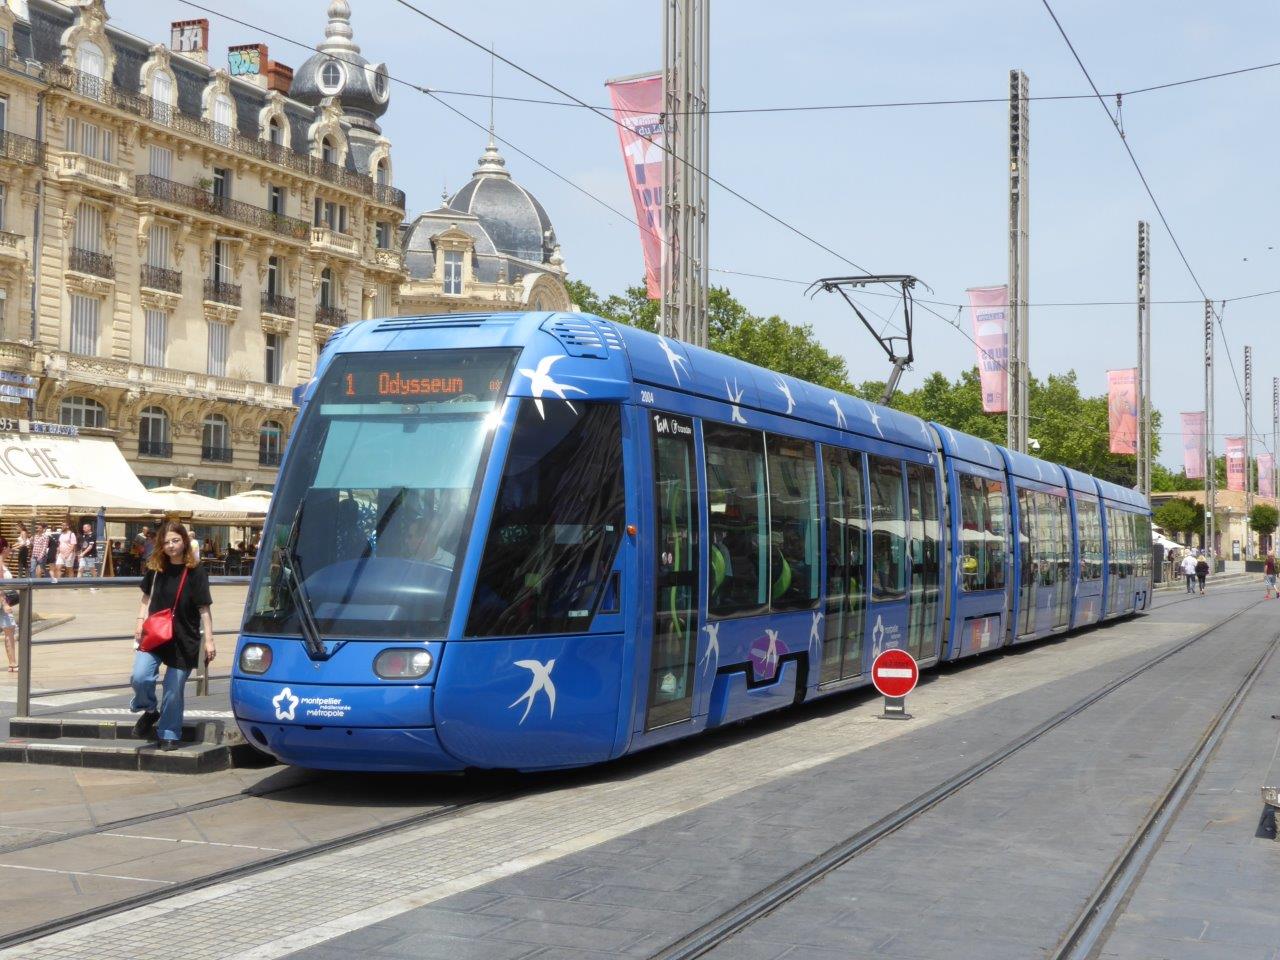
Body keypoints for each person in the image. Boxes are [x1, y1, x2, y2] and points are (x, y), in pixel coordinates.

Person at [129, 522, 215, 750]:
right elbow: (146, 598)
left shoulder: (196, 571)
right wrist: (139, 622)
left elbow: (204, 608)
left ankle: (169, 732)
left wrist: (209, 641)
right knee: (140, 676)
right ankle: (149, 710)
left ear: (184, 541)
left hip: (183, 637)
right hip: (155, 633)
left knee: (173, 688)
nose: (170, 546)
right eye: (166, 542)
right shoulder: (156, 567)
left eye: (175, 540)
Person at [1, 542, 15, 673]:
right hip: (2, 603)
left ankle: (13, 663)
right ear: (4, 548)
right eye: (9, 548)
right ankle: (13, 664)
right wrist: (4, 603)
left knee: (9, 629)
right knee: (10, 629)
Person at [78, 521, 98, 589]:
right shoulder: (84, 535)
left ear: (89, 528)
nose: (83, 529)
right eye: (83, 528)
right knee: (80, 569)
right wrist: (81, 554)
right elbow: (83, 546)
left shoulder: (93, 535)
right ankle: (78, 584)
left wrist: (82, 554)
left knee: (92, 569)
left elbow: (90, 546)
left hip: (90, 555)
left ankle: (95, 583)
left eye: (85, 527)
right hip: (83, 556)